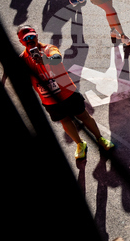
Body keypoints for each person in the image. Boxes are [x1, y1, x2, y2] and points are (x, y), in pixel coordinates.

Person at [17, 26, 115, 160]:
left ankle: (100, 139)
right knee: (65, 121)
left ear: (36, 36)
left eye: (31, 36)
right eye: (25, 39)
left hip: (68, 93)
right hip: (50, 100)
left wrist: (44, 60)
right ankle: (80, 144)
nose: (29, 40)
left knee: (84, 116)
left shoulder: (49, 49)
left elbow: (57, 59)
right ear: (21, 42)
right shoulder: (22, 60)